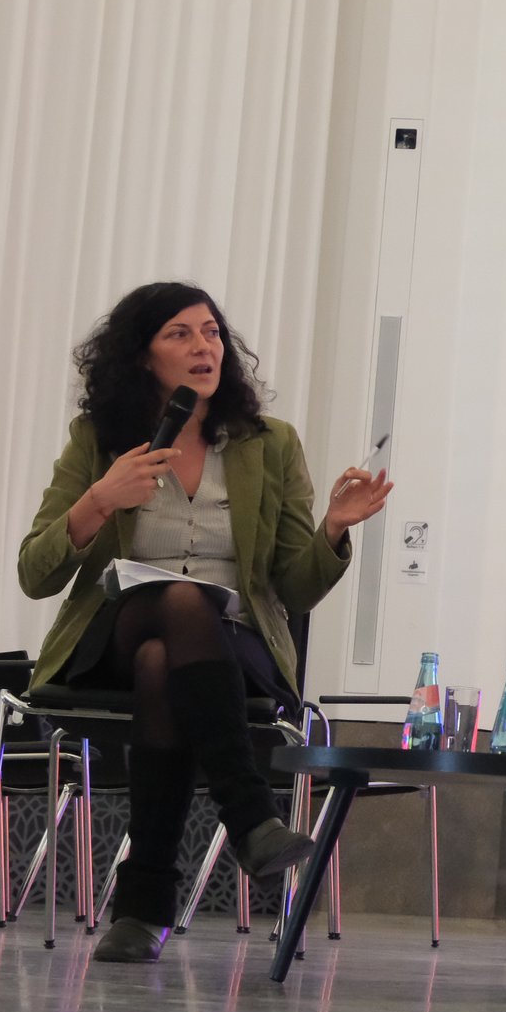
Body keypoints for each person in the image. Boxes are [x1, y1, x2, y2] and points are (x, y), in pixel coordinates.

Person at [20, 282, 392, 964]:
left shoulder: (269, 444)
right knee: (179, 605)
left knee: (165, 659)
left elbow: (295, 588)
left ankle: (142, 908)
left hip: (230, 645)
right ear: (141, 357)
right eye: (181, 334)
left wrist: (334, 529)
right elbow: (35, 571)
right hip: (114, 630)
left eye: (213, 332)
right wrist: (99, 501)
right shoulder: (99, 441)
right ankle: (250, 815)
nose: (204, 347)